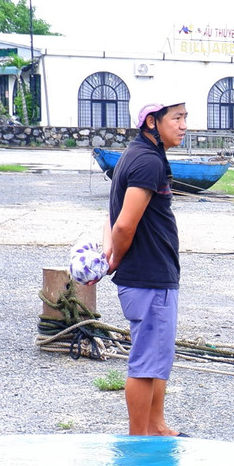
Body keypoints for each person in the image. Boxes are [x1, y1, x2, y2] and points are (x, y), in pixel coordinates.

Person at [103, 102, 188, 436]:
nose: (183, 125)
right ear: (152, 121)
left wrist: (111, 251)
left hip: (154, 275)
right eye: (177, 118)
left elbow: (109, 213)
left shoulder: (139, 154)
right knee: (145, 364)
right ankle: (139, 439)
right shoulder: (147, 161)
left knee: (156, 359)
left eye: (185, 118)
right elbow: (124, 225)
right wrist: (117, 257)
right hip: (148, 276)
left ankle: (156, 426)